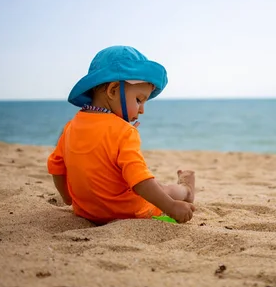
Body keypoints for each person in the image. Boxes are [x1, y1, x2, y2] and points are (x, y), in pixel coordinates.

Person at [46, 45, 196, 224]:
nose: (142, 110)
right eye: (139, 100)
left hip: (87, 212)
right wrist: (171, 207)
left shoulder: (70, 127)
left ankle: (186, 189)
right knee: (162, 189)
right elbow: (140, 181)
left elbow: (56, 166)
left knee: (155, 188)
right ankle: (186, 190)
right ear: (113, 91)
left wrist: (68, 198)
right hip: (128, 211)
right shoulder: (124, 131)